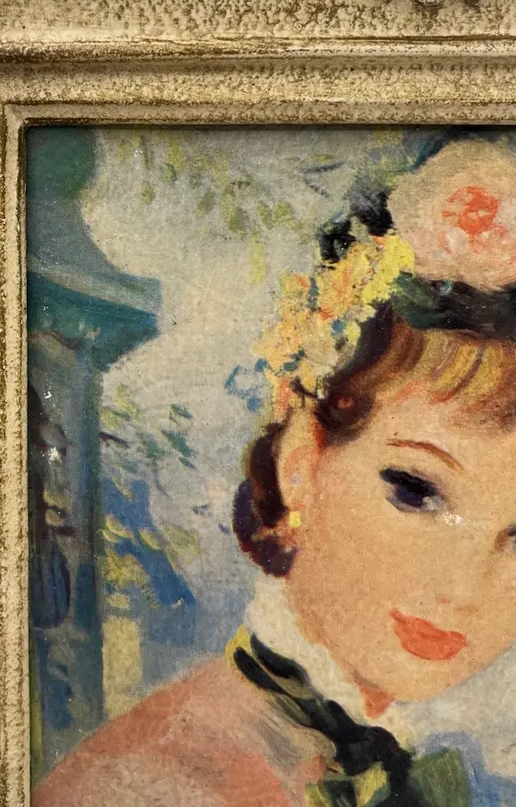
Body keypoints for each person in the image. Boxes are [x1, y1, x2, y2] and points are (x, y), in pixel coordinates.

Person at [33, 134, 516, 807]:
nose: (463, 589)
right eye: (415, 491)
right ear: (300, 463)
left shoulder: (411, 767)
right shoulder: (151, 786)